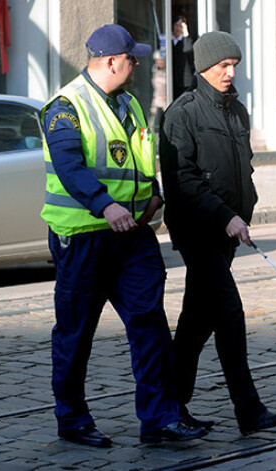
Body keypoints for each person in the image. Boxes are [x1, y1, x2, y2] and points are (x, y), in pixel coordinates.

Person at [40, 24, 208, 448]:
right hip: (83, 237)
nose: (137, 65)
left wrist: (152, 193)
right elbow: (69, 165)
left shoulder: (130, 103)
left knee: (149, 323)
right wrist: (105, 204)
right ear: (112, 61)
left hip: (131, 236)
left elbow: (139, 156)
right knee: (76, 333)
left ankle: (160, 418)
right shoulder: (64, 107)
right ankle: (73, 420)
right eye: (132, 59)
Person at [159, 31, 276, 436]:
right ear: (202, 68)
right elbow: (183, 180)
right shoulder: (182, 113)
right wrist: (224, 216)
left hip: (227, 233)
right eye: (222, 66)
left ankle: (171, 405)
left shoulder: (237, 111)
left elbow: (241, 167)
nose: (229, 73)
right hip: (198, 231)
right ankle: (248, 410)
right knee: (229, 314)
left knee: (197, 321)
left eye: (233, 65)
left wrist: (245, 205)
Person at [171, 15, 194, 100]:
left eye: (181, 26)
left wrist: (186, 33)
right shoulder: (168, 39)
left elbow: (188, 49)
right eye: (176, 25)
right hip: (171, 76)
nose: (178, 28)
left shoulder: (185, 40)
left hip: (184, 79)